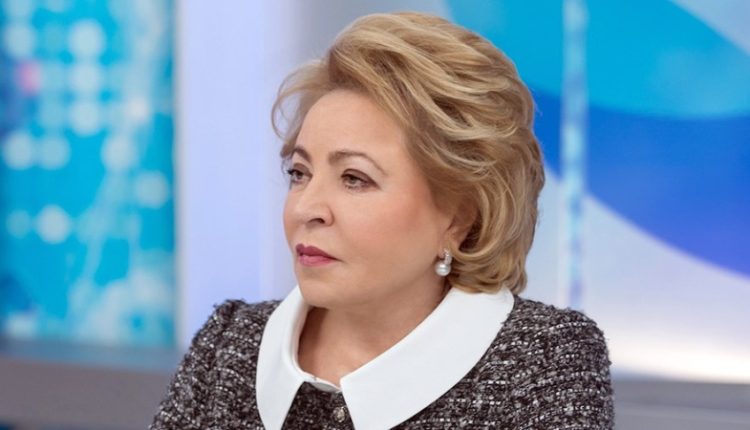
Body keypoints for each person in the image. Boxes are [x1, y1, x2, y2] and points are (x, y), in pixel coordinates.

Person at [151, 11, 614, 430]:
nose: (306, 208)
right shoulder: (230, 343)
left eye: (354, 179)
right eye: (299, 173)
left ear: (459, 217)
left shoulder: (542, 361)